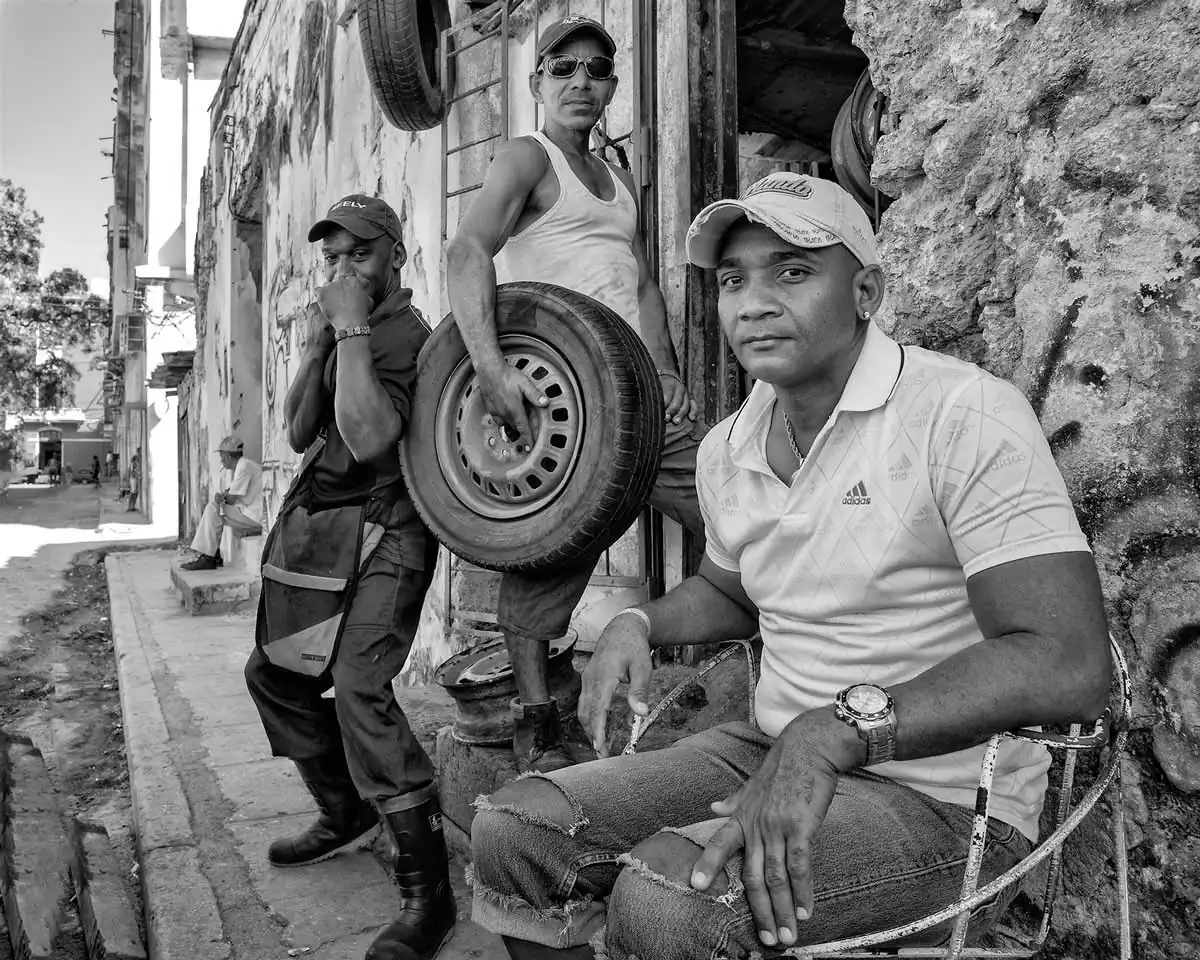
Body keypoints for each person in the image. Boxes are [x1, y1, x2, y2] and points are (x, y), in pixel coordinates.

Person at [467, 173, 1114, 960]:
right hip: (770, 749)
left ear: (866, 291)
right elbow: (731, 591)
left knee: (669, 899)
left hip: (946, 799)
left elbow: (1068, 662)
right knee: (517, 832)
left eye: (793, 271)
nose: (754, 303)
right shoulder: (729, 446)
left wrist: (834, 732)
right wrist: (637, 621)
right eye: (733, 280)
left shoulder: (961, 414)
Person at [446, 15, 705, 773]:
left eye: (596, 69)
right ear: (537, 83)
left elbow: (643, 285)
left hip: (637, 394)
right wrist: (490, 371)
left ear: (613, 85)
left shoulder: (618, 178)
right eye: (563, 68)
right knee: (547, 559)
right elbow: (467, 251)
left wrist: (665, 370)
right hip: (567, 395)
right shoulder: (527, 157)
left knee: (733, 512)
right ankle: (536, 722)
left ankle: (745, 669)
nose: (580, 82)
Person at [242, 194, 452, 960]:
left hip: (391, 532)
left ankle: (429, 893)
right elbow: (302, 430)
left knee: (361, 686)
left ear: (394, 254)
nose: (343, 270)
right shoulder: (342, 329)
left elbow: (368, 440)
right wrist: (316, 343)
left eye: (359, 254)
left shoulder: (408, 336)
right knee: (273, 673)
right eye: (332, 257)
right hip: (325, 531)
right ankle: (345, 811)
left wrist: (353, 328)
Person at [179, 436, 263, 571]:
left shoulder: (244, 467)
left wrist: (221, 498)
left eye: (222, 457)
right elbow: (233, 492)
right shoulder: (245, 465)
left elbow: (231, 499)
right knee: (216, 508)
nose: (221, 460)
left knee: (214, 508)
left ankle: (208, 557)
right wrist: (224, 495)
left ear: (228, 456)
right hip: (253, 513)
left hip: (255, 516)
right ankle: (213, 553)